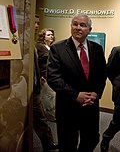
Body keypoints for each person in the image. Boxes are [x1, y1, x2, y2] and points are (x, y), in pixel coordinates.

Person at [47, 13, 106, 152]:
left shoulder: (96, 49)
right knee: (68, 144)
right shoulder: (58, 48)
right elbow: (53, 77)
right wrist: (75, 95)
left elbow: (102, 74)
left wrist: (96, 93)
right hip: (68, 106)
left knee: (91, 140)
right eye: (75, 24)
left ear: (89, 30)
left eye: (82, 25)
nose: (78, 27)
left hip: (90, 106)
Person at [33, 14, 58, 152]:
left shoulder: (53, 47)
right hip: (41, 80)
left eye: (38, 23)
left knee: (41, 118)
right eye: (49, 34)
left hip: (47, 79)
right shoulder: (38, 46)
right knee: (42, 115)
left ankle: (48, 144)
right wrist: (41, 75)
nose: (36, 25)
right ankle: (48, 143)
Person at [36, 28, 56, 121]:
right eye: (48, 35)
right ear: (43, 36)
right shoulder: (40, 47)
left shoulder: (52, 46)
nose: (51, 36)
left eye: (52, 34)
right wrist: (39, 76)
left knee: (51, 95)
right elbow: (37, 63)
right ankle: (50, 115)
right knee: (48, 95)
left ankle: (51, 114)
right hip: (44, 75)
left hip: (52, 75)